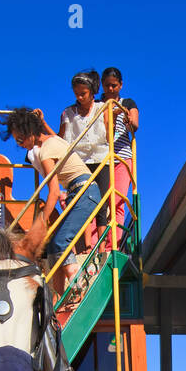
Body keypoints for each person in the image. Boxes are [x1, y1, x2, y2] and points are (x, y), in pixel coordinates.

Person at [0, 107, 101, 302]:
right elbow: (58, 141)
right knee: (55, 247)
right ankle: (60, 297)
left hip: (83, 191)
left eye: (20, 140)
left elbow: (53, 190)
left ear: (30, 133)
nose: (20, 145)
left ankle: (79, 282)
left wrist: (42, 222)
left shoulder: (45, 152)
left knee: (60, 242)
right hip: (81, 191)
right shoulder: (54, 141)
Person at [59, 70, 108, 243]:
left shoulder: (103, 108)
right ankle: (87, 244)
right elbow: (61, 139)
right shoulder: (68, 114)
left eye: (83, 94)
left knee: (102, 204)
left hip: (101, 159)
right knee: (83, 202)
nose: (79, 98)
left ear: (93, 91)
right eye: (76, 94)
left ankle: (101, 246)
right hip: (79, 162)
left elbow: (110, 136)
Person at [99, 67, 138, 240]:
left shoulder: (127, 103)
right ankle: (94, 244)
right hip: (100, 157)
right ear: (102, 85)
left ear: (121, 85)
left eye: (114, 85)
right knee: (97, 203)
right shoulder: (97, 105)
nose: (111, 89)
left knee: (117, 201)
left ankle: (113, 243)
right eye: (107, 85)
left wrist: (127, 119)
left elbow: (134, 125)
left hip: (121, 157)